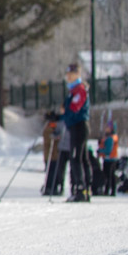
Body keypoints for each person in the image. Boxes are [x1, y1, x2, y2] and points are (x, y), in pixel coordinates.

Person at [62, 63, 91, 202]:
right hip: (76, 126)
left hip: (78, 126)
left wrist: (62, 115)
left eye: (70, 74)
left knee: (76, 158)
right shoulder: (73, 90)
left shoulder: (79, 90)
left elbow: (74, 109)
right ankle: (84, 189)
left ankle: (80, 189)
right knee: (81, 158)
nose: (67, 77)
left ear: (76, 75)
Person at [41, 110, 61, 196]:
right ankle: (49, 187)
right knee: (50, 171)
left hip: (54, 154)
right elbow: (49, 138)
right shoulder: (49, 127)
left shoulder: (53, 126)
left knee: (54, 172)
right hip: (51, 155)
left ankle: (53, 187)